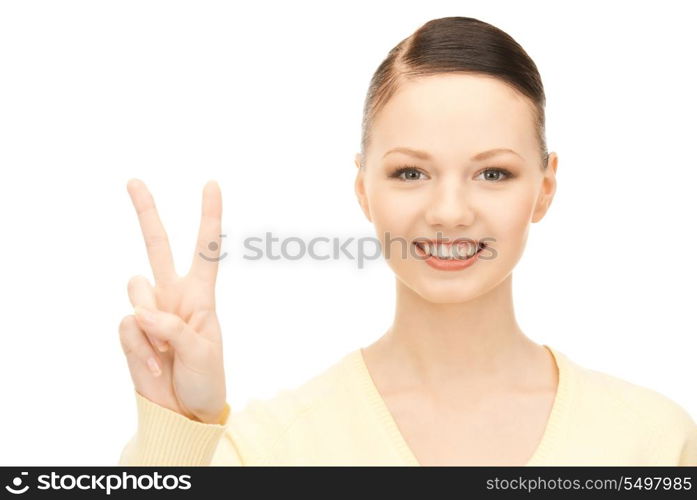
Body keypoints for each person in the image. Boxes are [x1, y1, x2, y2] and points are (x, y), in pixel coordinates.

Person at [118, 16, 697, 466]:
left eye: (493, 173)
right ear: (364, 189)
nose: (449, 212)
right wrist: (177, 425)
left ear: (544, 189)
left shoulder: (653, 441)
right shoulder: (270, 448)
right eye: (410, 173)